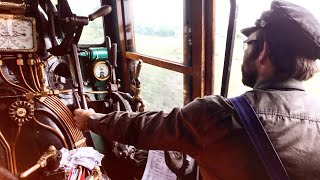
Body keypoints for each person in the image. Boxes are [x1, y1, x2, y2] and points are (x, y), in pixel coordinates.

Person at [74, 0, 320, 179]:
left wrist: (92, 119)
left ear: (264, 50)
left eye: (248, 43)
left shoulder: (219, 115)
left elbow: (144, 127)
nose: (245, 50)